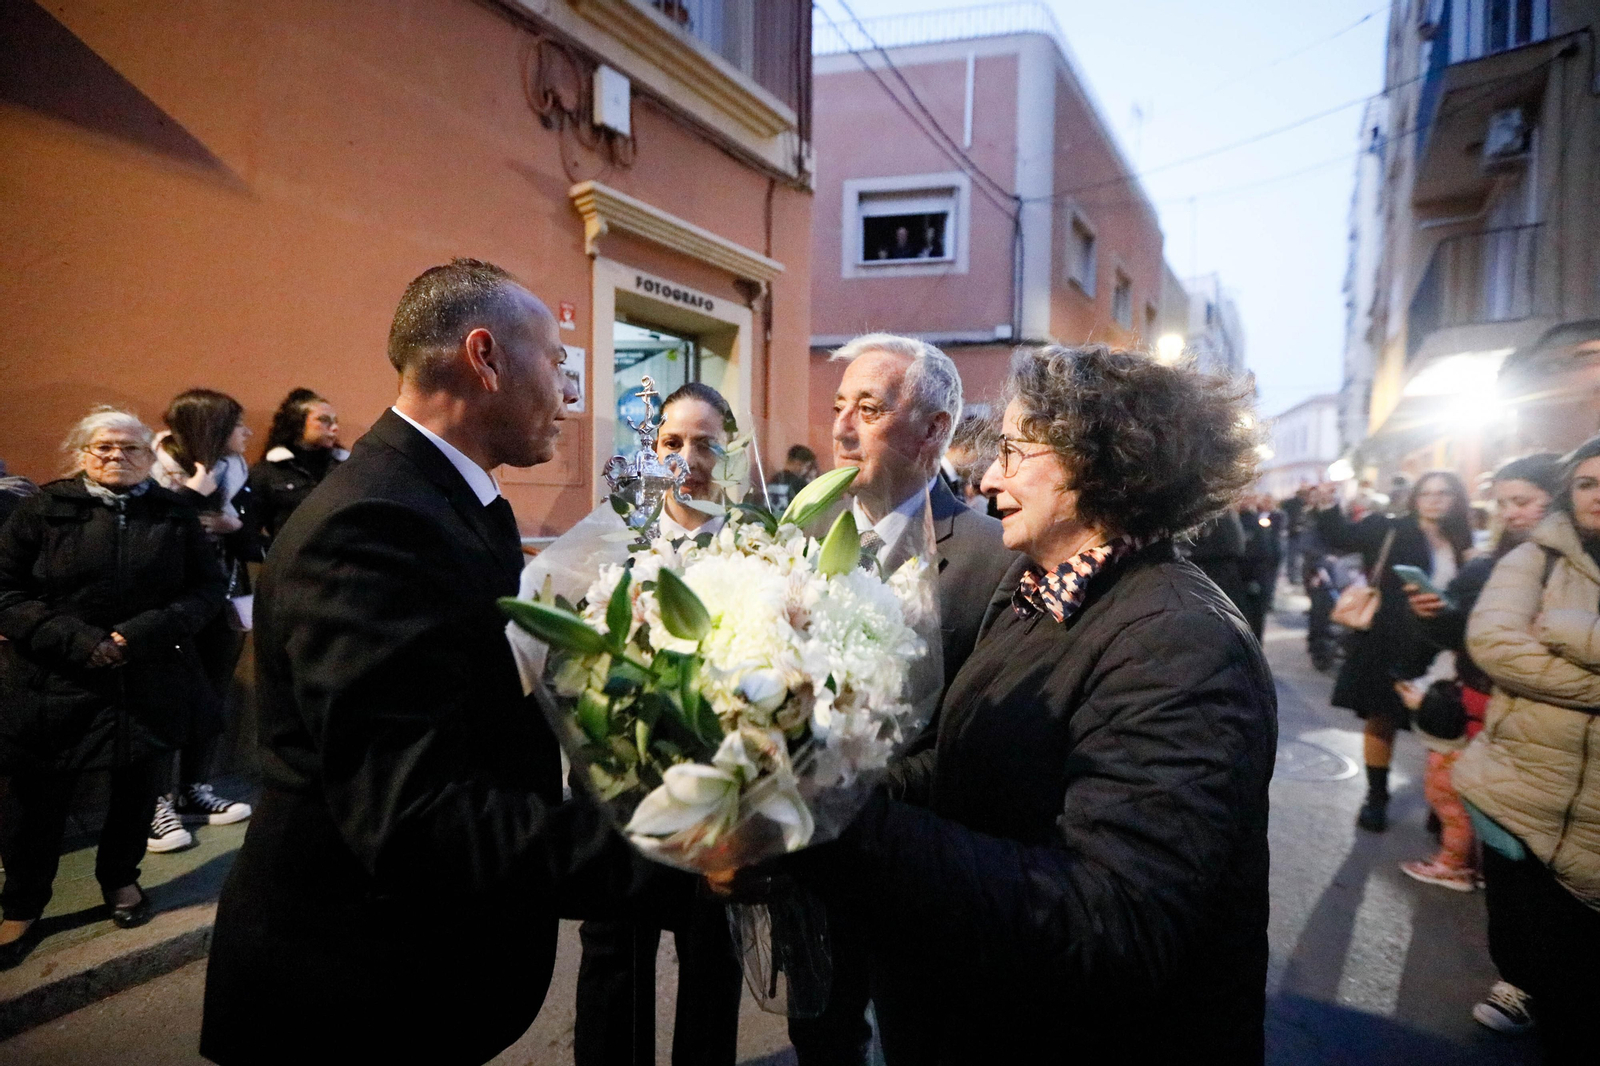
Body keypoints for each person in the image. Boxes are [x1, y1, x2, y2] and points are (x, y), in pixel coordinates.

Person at [792, 344, 1274, 1063]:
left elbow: (1113, 921)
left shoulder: (1179, 643)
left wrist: (849, 833)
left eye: (1015, 452)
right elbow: (968, 764)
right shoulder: (1041, 591)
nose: (988, 478)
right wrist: (811, 795)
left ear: (1099, 458)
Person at [200, 259, 623, 1065]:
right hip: (353, 994)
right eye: (557, 363)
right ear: (485, 356)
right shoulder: (375, 524)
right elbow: (414, 815)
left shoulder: (440, 498)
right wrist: (673, 856)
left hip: (410, 976)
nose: (569, 394)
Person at [788, 332, 1016, 1065]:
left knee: (926, 1038)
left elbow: (986, 732)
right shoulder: (801, 528)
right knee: (820, 1034)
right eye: (838, 405)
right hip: (814, 860)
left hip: (927, 863)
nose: (841, 425)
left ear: (934, 429)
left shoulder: (992, 553)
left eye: (869, 406)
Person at [0, 408, 225, 967]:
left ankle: (121, 881)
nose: (116, 457)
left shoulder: (173, 513)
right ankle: (23, 904)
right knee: (37, 804)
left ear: (150, 456)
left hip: (145, 675)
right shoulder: (41, 510)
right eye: (103, 448)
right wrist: (79, 642)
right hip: (53, 680)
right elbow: (4, 591)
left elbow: (205, 590)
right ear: (81, 453)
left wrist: (135, 637)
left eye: (130, 448)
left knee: (136, 790)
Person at [573, 380, 745, 1066]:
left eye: (707, 443)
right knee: (615, 956)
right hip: (622, 795)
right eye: (672, 442)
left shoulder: (760, 547)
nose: (688, 458)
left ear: (730, 454)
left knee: (712, 959)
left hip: (719, 797)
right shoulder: (610, 543)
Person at [1455, 438, 1600, 1066]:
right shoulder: (1536, 559)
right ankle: (1527, 990)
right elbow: (1496, 644)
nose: (1599, 494)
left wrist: (1567, 634)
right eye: (1589, 481)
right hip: (1525, 782)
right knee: (1528, 936)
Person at [1403, 452, 1558, 1033]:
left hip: (1551, 725)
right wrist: (1435, 618)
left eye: (1526, 500)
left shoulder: (1564, 568)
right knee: (1506, 847)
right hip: (1484, 710)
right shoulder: (1496, 563)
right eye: (1507, 500)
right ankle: (1519, 977)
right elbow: (1468, 635)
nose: (1514, 511)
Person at [1314, 470, 1474, 832]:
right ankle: (1376, 796)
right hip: (1389, 636)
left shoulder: (1463, 539)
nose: (1434, 499)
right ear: (1415, 497)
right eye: (1426, 492)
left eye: (1443, 493)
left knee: (1441, 721)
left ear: (1455, 499)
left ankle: (1441, 801)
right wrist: (1326, 504)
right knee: (1382, 716)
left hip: (1443, 643)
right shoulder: (1390, 528)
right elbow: (1340, 536)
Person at [149, 389, 257, 851]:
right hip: (171, 604)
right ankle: (154, 801)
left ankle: (195, 790)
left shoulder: (234, 470)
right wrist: (193, 499)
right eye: (237, 425)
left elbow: (255, 533)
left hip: (226, 596)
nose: (246, 433)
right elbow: (151, 538)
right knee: (163, 700)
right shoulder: (155, 470)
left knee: (211, 697)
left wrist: (237, 527)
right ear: (210, 429)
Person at [248, 388, 346, 547]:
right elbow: (252, 529)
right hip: (293, 564)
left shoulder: (346, 468)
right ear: (298, 423)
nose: (334, 428)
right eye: (324, 420)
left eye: (335, 421)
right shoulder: (269, 472)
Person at [766, 443, 817, 514]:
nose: (806, 471)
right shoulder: (798, 483)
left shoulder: (774, 479)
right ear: (798, 463)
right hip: (789, 523)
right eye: (807, 467)